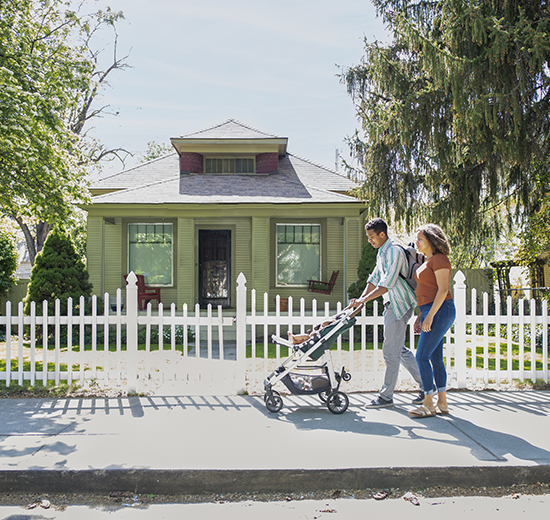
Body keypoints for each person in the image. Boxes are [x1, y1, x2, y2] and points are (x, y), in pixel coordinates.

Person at [350, 218, 424, 408]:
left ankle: (386, 396)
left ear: (382, 234)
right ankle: (427, 386)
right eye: (368, 237)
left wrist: (364, 301)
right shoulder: (382, 253)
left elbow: (387, 284)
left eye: (372, 237)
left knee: (390, 352)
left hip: (399, 304)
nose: (369, 241)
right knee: (398, 350)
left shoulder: (393, 251)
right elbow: (374, 278)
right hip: (392, 304)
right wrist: (360, 301)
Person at [409, 224, 456, 418]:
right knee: (435, 357)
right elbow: (428, 290)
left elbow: (443, 290)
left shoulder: (440, 260)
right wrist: (422, 314)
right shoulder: (429, 261)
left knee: (421, 357)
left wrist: (430, 315)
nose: (416, 242)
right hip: (431, 310)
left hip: (440, 310)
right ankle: (442, 403)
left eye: (420, 239)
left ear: (431, 240)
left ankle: (428, 403)